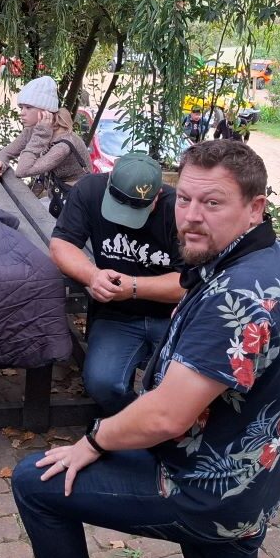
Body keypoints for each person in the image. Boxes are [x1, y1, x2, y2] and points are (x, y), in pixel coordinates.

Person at [0, 140, 280, 558]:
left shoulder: (238, 296)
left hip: (201, 484)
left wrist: (93, 442)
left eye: (212, 203)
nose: (190, 216)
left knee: (37, 481)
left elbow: (166, 417)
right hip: (253, 477)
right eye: (184, 199)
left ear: (255, 208)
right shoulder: (268, 261)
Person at [49, 153, 184, 415]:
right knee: (102, 383)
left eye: (138, 210)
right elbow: (61, 244)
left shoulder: (178, 209)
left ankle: (158, 429)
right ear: (109, 179)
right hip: (117, 316)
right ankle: (138, 425)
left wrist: (133, 287)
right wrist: (92, 275)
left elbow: (190, 283)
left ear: (157, 197)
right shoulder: (89, 190)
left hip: (172, 318)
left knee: (182, 388)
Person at [0, 76, 91, 214]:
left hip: (75, 205)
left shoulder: (63, 145)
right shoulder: (33, 129)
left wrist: (40, 136)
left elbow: (22, 171)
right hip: (56, 198)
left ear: (45, 111)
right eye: (21, 107)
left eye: (28, 107)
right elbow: (6, 153)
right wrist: (0, 164)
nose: (22, 113)